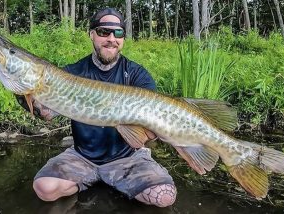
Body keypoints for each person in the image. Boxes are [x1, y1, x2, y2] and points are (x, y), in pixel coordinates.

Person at [18, 8, 177, 207]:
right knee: (45, 188)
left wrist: (153, 133)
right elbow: (46, 113)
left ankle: (111, 179)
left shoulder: (137, 75)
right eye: (104, 32)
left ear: (123, 39)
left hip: (127, 158)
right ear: (91, 34)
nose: (111, 38)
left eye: (118, 33)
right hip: (82, 157)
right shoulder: (73, 73)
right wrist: (20, 91)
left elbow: (147, 133)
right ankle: (95, 179)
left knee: (164, 196)